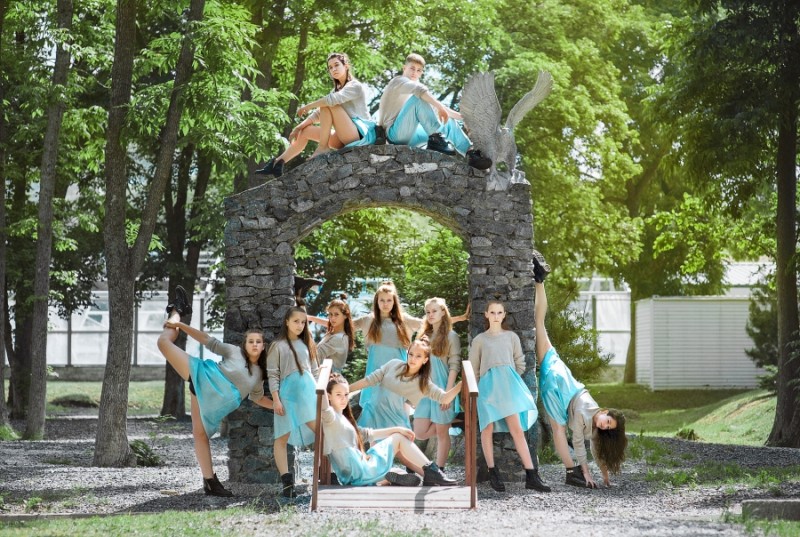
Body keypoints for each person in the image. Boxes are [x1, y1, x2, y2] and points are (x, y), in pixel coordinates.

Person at [156, 285, 273, 497]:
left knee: (200, 435)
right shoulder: (234, 351)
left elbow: (258, 398)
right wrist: (180, 324)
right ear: (245, 344)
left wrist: (280, 406)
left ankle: (210, 483)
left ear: (263, 346)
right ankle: (177, 311)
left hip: (212, 401)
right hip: (202, 375)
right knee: (163, 342)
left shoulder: (259, 376)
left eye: (258, 342)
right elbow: (207, 340)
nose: (255, 345)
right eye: (251, 341)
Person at [533, 254, 627, 488]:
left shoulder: (594, 420)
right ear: (605, 412)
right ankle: (570, 472)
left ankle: (539, 281)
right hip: (558, 386)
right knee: (558, 429)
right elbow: (578, 442)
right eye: (607, 421)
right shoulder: (585, 413)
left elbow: (595, 448)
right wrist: (585, 471)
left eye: (607, 427)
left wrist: (605, 477)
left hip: (564, 380)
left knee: (539, 324)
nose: (604, 425)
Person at [352, 281, 467, 430]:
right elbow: (341, 324)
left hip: (400, 371)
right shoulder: (368, 320)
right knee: (372, 406)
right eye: (382, 300)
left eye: (389, 300)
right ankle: (372, 440)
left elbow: (433, 321)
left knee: (399, 409)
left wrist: (460, 318)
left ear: (394, 301)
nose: (385, 304)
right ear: (376, 301)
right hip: (376, 368)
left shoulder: (403, 319)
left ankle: (401, 437)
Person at [349, 337, 462, 484]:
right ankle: (390, 477)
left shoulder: (423, 383)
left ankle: (432, 476)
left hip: (395, 420)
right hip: (374, 413)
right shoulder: (393, 364)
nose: (413, 359)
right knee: (370, 455)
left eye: (418, 356)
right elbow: (369, 380)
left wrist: (461, 384)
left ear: (425, 360)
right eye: (411, 354)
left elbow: (445, 398)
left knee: (403, 457)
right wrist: (347, 389)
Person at [469, 299, 550, 493]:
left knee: (516, 429)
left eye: (499, 312)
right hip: (487, 389)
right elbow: (473, 368)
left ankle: (531, 475)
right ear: (486, 315)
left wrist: (509, 377)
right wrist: (479, 388)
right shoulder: (480, 340)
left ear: (504, 315)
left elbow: (520, 362)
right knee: (486, 429)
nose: (496, 316)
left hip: (508, 387)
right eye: (492, 312)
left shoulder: (511, 337)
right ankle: (492, 472)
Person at [322, 372, 456, 487]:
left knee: (397, 468)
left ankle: (387, 479)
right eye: (338, 394)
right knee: (398, 439)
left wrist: (397, 429)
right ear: (328, 396)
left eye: (346, 394)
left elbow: (369, 434)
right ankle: (432, 472)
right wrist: (322, 374)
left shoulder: (343, 419)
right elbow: (321, 400)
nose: (343, 399)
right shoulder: (330, 417)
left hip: (355, 474)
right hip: (360, 472)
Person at [256, 52, 376, 177]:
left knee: (327, 103)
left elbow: (330, 101)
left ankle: (323, 147)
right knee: (305, 131)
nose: (333, 69)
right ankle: (277, 163)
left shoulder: (355, 86)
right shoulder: (335, 91)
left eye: (336, 65)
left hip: (361, 136)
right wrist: (298, 128)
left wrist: (308, 106)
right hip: (343, 138)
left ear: (346, 66)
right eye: (330, 67)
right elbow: (319, 113)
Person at [376, 53, 491, 170]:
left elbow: (439, 109)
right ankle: (436, 140)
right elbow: (421, 92)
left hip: (413, 136)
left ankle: (471, 154)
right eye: (412, 68)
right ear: (404, 68)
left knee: (446, 120)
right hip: (394, 135)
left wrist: (467, 118)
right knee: (419, 99)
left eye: (418, 70)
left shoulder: (419, 89)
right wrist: (439, 107)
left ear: (421, 73)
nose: (414, 72)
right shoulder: (398, 81)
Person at [267, 306, 320, 497]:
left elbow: (316, 372)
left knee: (322, 432)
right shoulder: (277, 345)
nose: (300, 325)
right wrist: (276, 399)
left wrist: (321, 397)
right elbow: (273, 374)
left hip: (309, 395)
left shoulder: (308, 344)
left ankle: (326, 474)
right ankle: (287, 484)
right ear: (287, 322)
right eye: (296, 321)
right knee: (281, 437)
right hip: (287, 396)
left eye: (303, 322)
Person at [412, 298, 461, 469]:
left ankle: (439, 470)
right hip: (425, 388)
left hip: (442, 387)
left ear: (443, 312)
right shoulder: (423, 336)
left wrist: (448, 394)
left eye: (434, 311)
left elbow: (454, 365)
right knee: (419, 432)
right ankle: (454, 420)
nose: (431, 315)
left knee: (441, 432)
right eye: (428, 312)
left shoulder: (451, 336)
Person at [308, 294, 355, 373]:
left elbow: (315, 356)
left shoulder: (339, 338)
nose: (332, 318)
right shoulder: (334, 332)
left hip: (327, 379)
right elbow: (328, 322)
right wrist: (309, 318)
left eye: (336, 314)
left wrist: (307, 333)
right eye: (330, 314)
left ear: (345, 316)